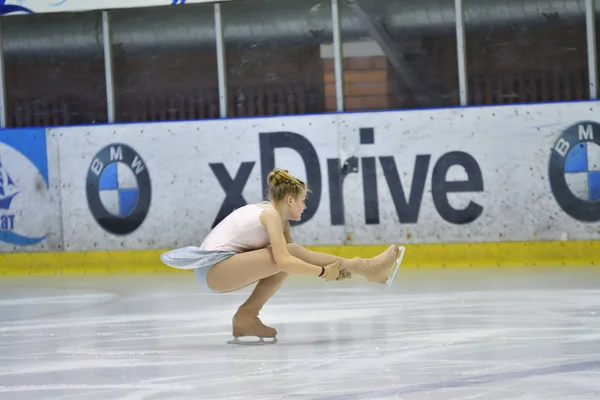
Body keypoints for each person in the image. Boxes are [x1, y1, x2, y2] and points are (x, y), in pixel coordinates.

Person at [160, 168, 403, 344]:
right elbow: (287, 258)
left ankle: (246, 318)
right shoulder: (271, 216)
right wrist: (322, 272)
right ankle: (367, 268)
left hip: (218, 269)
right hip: (213, 270)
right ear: (289, 199)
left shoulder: (277, 216)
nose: (304, 206)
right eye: (303, 201)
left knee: (289, 257)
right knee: (286, 256)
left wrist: (337, 270)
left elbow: (299, 258)